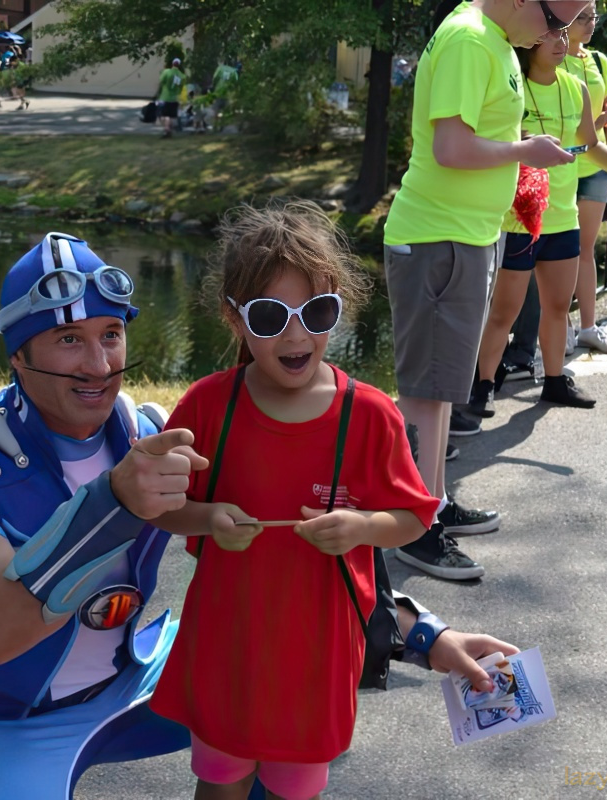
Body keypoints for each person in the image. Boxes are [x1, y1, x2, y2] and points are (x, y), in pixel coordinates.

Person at [0, 231, 521, 799]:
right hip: (8, 721)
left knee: (269, 723)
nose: (97, 366)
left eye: (109, 335)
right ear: (15, 354)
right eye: (68, 341)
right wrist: (114, 503)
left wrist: (425, 636)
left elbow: (291, 567)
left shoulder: (150, 436)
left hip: (135, 679)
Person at [146, 202, 438, 800]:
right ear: (235, 319)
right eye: (272, 316)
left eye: (318, 312)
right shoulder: (208, 406)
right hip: (230, 643)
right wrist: (206, 517)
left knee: (293, 787)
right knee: (220, 781)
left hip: (317, 653)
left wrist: (360, 526)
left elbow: (411, 518)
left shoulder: (369, 415)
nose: (297, 335)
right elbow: (160, 504)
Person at [380, 0, 587, 581]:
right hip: (437, 239)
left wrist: (518, 148)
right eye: (554, 22)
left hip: (465, 237)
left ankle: (434, 503)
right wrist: (526, 152)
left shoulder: (494, 38)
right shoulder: (472, 41)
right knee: (425, 389)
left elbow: (479, 133)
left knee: (442, 386)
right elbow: (450, 147)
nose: (556, 35)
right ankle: (413, 528)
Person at [467, 33, 607, 416]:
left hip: (562, 218)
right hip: (518, 218)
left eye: (564, 34)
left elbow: (590, 144)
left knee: (557, 306)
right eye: (551, 35)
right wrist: (524, 142)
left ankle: (554, 381)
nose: (561, 41)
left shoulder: (576, 88)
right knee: (504, 311)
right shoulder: (512, 85)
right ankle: (483, 385)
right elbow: (491, 139)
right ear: (530, 44)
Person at [561, 2, 607, 354]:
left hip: (594, 168)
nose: (590, 24)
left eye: (593, 17)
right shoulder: (550, 57)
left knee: (585, 249)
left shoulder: (598, 61)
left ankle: (588, 326)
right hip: (563, 166)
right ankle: (562, 327)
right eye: (582, 18)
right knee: (561, 251)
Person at [156, 57, 186, 139]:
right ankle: (169, 130)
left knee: (164, 115)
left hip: (165, 97)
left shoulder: (166, 72)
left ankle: (167, 130)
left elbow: (161, 82)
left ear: (172, 63)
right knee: (171, 115)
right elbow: (180, 88)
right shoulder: (182, 76)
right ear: (179, 65)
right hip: (175, 98)